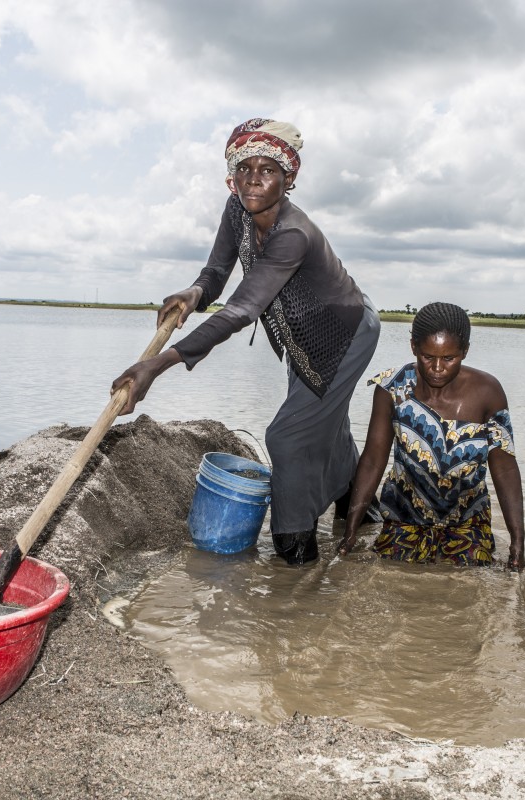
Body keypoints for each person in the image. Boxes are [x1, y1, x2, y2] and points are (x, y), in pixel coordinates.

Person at [110, 118, 380, 566]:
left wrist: (154, 367)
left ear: (289, 178)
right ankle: (359, 507)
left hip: (345, 335)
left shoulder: (293, 234)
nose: (254, 178)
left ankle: (296, 551)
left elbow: (240, 310)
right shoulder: (237, 208)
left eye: (267, 170)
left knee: (288, 437)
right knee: (323, 422)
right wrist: (193, 294)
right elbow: (216, 273)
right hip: (300, 335)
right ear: (231, 177)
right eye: (244, 168)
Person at [336, 303, 525, 571]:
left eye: (449, 358)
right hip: (405, 514)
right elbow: (373, 460)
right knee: (391, 576)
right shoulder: (393, 389)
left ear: (465, 351)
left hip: (467, 518)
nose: (437, 368)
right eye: (427, 357)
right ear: (413, 347)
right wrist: (350, 530)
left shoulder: (488, 393)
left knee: (471, 578)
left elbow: (505, 469)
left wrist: (518, 544)